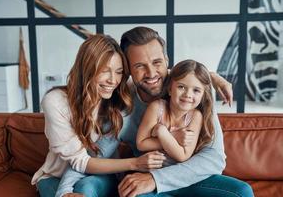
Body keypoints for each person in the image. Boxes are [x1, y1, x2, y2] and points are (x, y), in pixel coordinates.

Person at [118, 26, 254, 197]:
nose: (151, 73)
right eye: (139, 66)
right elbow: (96, 154)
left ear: (167, 59)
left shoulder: (196, 93)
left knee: (242, 192)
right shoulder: (121, 103)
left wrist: (156, 178)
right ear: (128, 68)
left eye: (157, 62)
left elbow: (214, 158)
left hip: (190, 178)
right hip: (150, 181)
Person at [31, 34, 166, 197]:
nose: (113, 80)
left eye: (118, 72)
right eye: (105, 71)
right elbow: (79, 161)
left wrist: (201, 79)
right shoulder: (56, 101)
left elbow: (159, 78)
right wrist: (64, 192)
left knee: (86, 187)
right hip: (56, 177)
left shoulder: (120, 95)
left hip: (104, 174)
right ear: (86, 69)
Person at [136, 60, 214, 168]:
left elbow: (183, 155)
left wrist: (161, 131)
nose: (188, 94)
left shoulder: (195, 116)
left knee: (241, 186)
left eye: (196, 90)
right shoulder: (157, 108)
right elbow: (141, 144)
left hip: (182, 173)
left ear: (202, 96)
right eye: (181, 87)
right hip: (154, 172)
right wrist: (174, 136)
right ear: (170, 89)